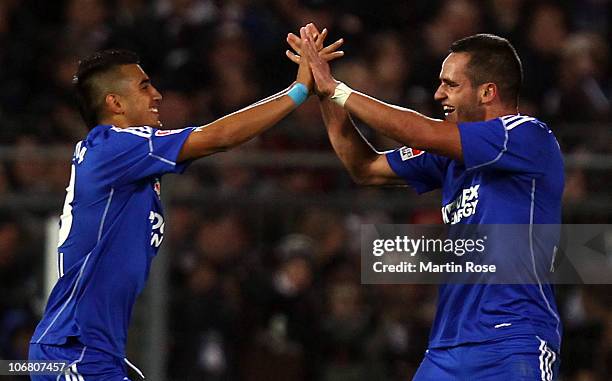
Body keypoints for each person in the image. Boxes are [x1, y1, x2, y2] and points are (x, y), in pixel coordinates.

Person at [29, 36, 343, 381]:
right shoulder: (115, 147)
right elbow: (218, 137)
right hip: (75, 349)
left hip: (96, 352)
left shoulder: (123, 160)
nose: (157, 95)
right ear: (115, 103)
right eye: (144, 86)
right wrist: (298, 90)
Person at [290, 25, 564, 380]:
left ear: (487, 92)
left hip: (515, 339)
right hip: (447, 350)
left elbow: (421, 131)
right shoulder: (448, 157)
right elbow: (365, 167)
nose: (438, 94)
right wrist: (324, 92)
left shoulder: (528, 136)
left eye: (451, 84)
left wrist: (339, 90)